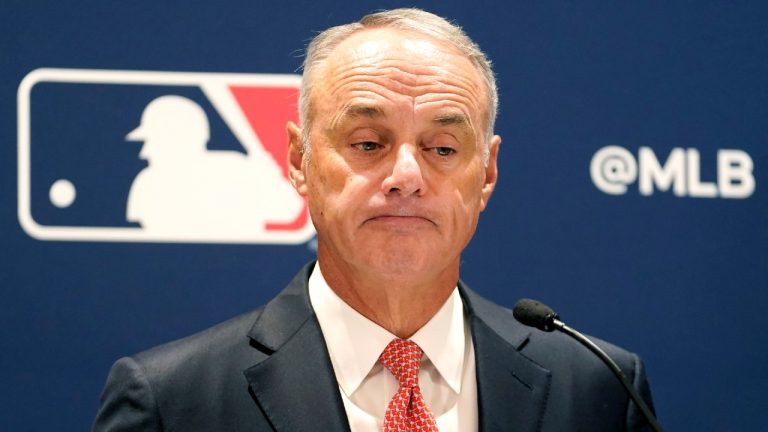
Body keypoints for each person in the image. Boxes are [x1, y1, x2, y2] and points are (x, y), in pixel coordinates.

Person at [92, 8, 655, 432]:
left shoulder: (599, 389)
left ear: (486, 174)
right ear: (299, 161)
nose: (406, 175)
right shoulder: (173, 401)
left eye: (442, 148)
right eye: (368, 142)